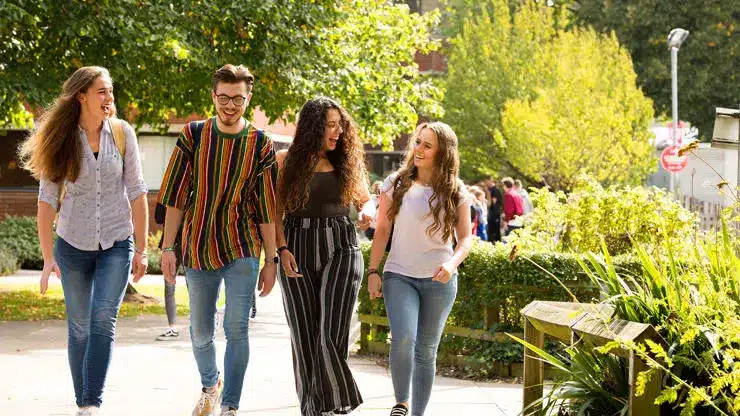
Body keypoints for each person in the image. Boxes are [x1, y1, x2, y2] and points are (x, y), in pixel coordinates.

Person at [19, 66, 149, 416]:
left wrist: (141, 249)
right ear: (82, 96)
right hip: (72, 244)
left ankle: (91, 402)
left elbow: (137, 192)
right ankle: (83, 402)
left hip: (116, 241)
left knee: (103, 319)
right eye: (102, 91)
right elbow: (46, 201)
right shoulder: (62, 138)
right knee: (78, 327)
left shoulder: (122, 134)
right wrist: (48, 258)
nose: (109, 98)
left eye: (110, 91)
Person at [157, 64, 278, 416]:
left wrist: (271, 260)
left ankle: (230, 406)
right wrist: (168, 247)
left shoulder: (261, 143)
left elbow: (267, 207)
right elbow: (176, 196)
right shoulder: (193, 135)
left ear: (248, 99)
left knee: (236, 326)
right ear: (213, 96)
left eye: (237, 99)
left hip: (242, 245)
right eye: (223, 98)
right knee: (199, 331)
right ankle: (211, 385)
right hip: (197, 246)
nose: (230, 105)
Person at [366, 122, 474, 416]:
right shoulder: (396, 183)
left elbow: (466, 238)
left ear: (443, 153)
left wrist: (452, 263)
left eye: (427, 145)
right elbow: (382, 229)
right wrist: (373, 271)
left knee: (426, 352)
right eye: (418, 142)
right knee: (403, 338)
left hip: (440, 282)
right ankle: (401, 403)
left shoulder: (455, 190)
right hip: (399, 275)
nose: (419, 149)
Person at [275, 97, 371, 415]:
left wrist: (368, 211)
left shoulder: (346, 162)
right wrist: (281, 249)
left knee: (330, 334)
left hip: (341, 244)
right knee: (304, 336)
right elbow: (274, 212)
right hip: (296, 245)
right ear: (313, 128)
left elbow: (366, 200)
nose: (338, 132)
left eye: (340, 125)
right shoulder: (285, 161)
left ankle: (333, 405)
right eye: (330, 126)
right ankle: (314, 410)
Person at [154, 202, 180, 340]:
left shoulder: (167, 196)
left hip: (178, 243)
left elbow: (159, 218)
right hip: (176, 244)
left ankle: (173, 327)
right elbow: (158, 218)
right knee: (171, 288)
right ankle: (174, 327)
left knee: (170, 289)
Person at [483, 176, 503, 242]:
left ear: (490, 181)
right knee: (491, 230)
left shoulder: (495, 190)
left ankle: (497, 243)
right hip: (492, 213)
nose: (485, 183)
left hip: (495, 213)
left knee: (496, 230)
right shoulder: (491, 189)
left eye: (486, 181)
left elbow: (493, 202)